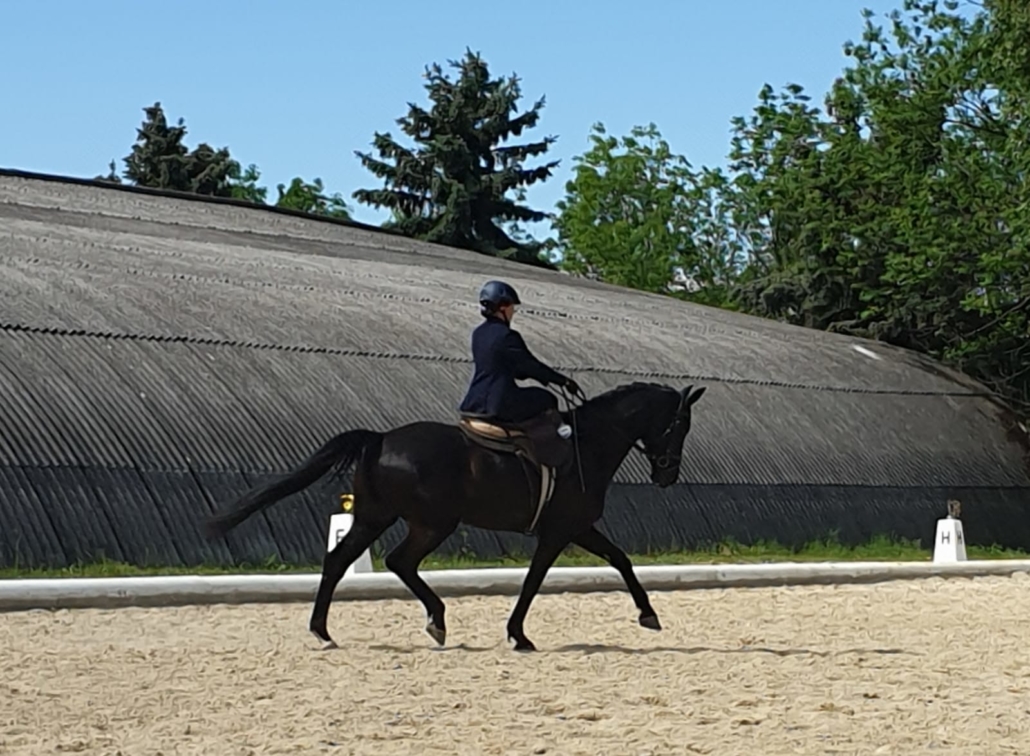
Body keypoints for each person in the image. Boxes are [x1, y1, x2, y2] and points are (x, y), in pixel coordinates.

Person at [458, 280, 580, 442]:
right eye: (512, 307)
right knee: (546, 398)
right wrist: (563, 381)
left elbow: (502, 364)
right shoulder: (507, 336)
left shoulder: (478, 333)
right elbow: (531, 366)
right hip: (498, 403)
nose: (513, 311)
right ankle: (558, 437)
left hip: (473, 400)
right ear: (503, 307)